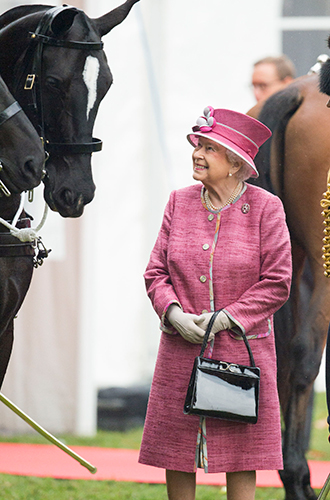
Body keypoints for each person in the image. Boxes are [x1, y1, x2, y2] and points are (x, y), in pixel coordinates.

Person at [138, 106, 292, 500]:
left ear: (236, 163)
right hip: (180, 348)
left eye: (210, 148)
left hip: (242, 349)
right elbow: (156, 272)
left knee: (241, 453)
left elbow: (277, 283)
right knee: (176, 450)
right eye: (197, 145)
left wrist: (225, 319)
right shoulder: (179, 202)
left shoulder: (266, 209)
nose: (197, 153)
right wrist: (172, 312)